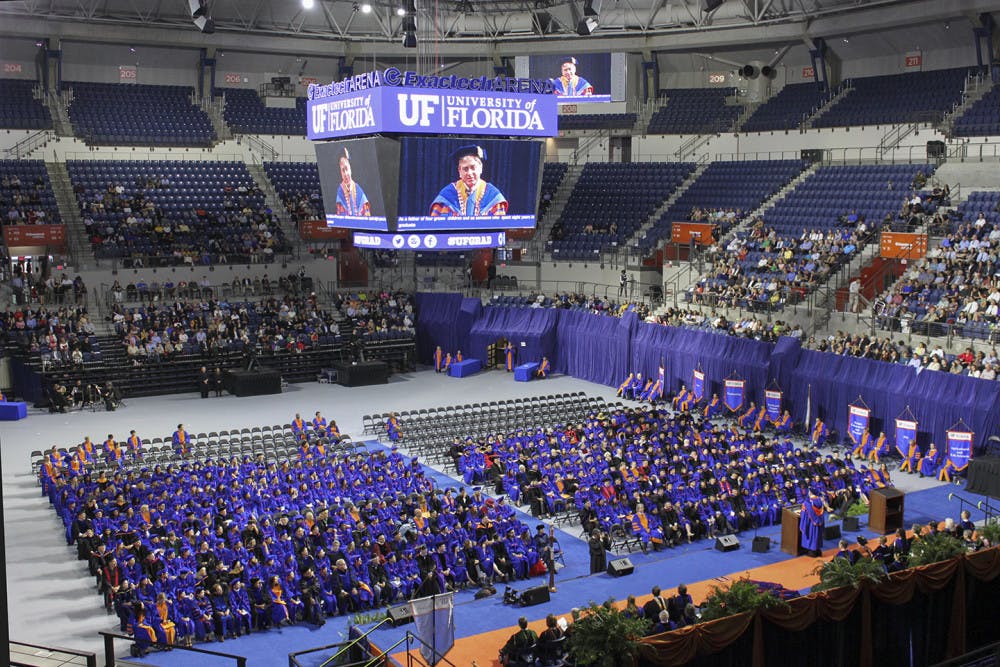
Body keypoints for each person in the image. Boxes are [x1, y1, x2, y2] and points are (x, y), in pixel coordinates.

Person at [429, 145, 508, 217]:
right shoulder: (447, 195)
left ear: (480, 168)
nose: (469, 173)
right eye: (465, 169)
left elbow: (498, 227)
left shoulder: (493, 196)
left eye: (473, 167)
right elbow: (435, 225)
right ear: (459, 171)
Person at [335, 147, 371, 217]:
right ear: (340, 172)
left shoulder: (359, 190)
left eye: (346, 169)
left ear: (350, 168)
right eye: (343, 170)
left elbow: (367, 215)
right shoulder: (340, 191)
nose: (346, 174)